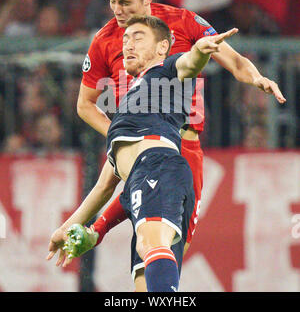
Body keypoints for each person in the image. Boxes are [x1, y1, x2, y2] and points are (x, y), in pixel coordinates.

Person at [47, 0, 286, 292]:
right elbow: (85, 105)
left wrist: (256, 77)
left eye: (126, 2)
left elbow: (224, 59)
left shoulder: (179, 25)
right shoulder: (103, 41)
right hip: (143, 147)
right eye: (113, 0)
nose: (118, 10)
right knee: (146, 270)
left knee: (162, 250)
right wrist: (119, 136)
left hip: (181, 147)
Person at [49, 15, 238, 291]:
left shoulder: (163, 71)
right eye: (125, 39)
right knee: (142, 282)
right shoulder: (129, 110)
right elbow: (104, 188)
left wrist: (199, 51)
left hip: (159, 168)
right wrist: (67, 227)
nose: (128, 44)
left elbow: (187, 64)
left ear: (163, 47)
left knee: (151, 243)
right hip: (147, 176)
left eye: (138, 38)